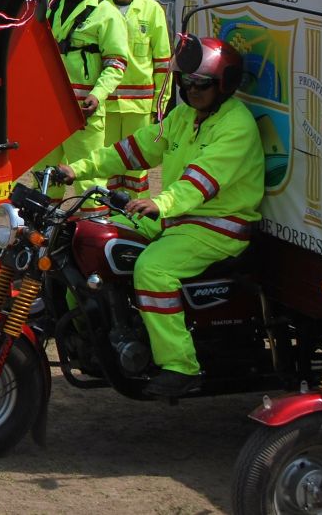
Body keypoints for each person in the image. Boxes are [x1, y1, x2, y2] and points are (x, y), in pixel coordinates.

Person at [55, 35, 262, 398]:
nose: (193, 89)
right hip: (178, 218)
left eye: (203, 84)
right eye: (187, 82)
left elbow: (201, 181)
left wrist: (160, 203)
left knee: (153, 269)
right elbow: (135, 148)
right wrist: (78, 169)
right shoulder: (185, 115)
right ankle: (93, 329)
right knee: (88, 234)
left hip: (217, 225)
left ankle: (181, 366)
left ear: (224, 85)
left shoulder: (236, 126)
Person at [38, 0, 131, 169]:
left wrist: (97, 95)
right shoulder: (48, 3)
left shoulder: (107, 13)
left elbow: (116, 63)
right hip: (47, 107)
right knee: (43, 177)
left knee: (88, 176)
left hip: (83, 110)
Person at [102, 0, 172, 198]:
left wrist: (159, 107)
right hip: (105, 105)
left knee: (136, 168)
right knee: (105, 163)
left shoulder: (152, 10)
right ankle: (104, 218)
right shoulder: (99, 5)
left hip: (139, 107)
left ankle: (134, 220)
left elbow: (163, 63)